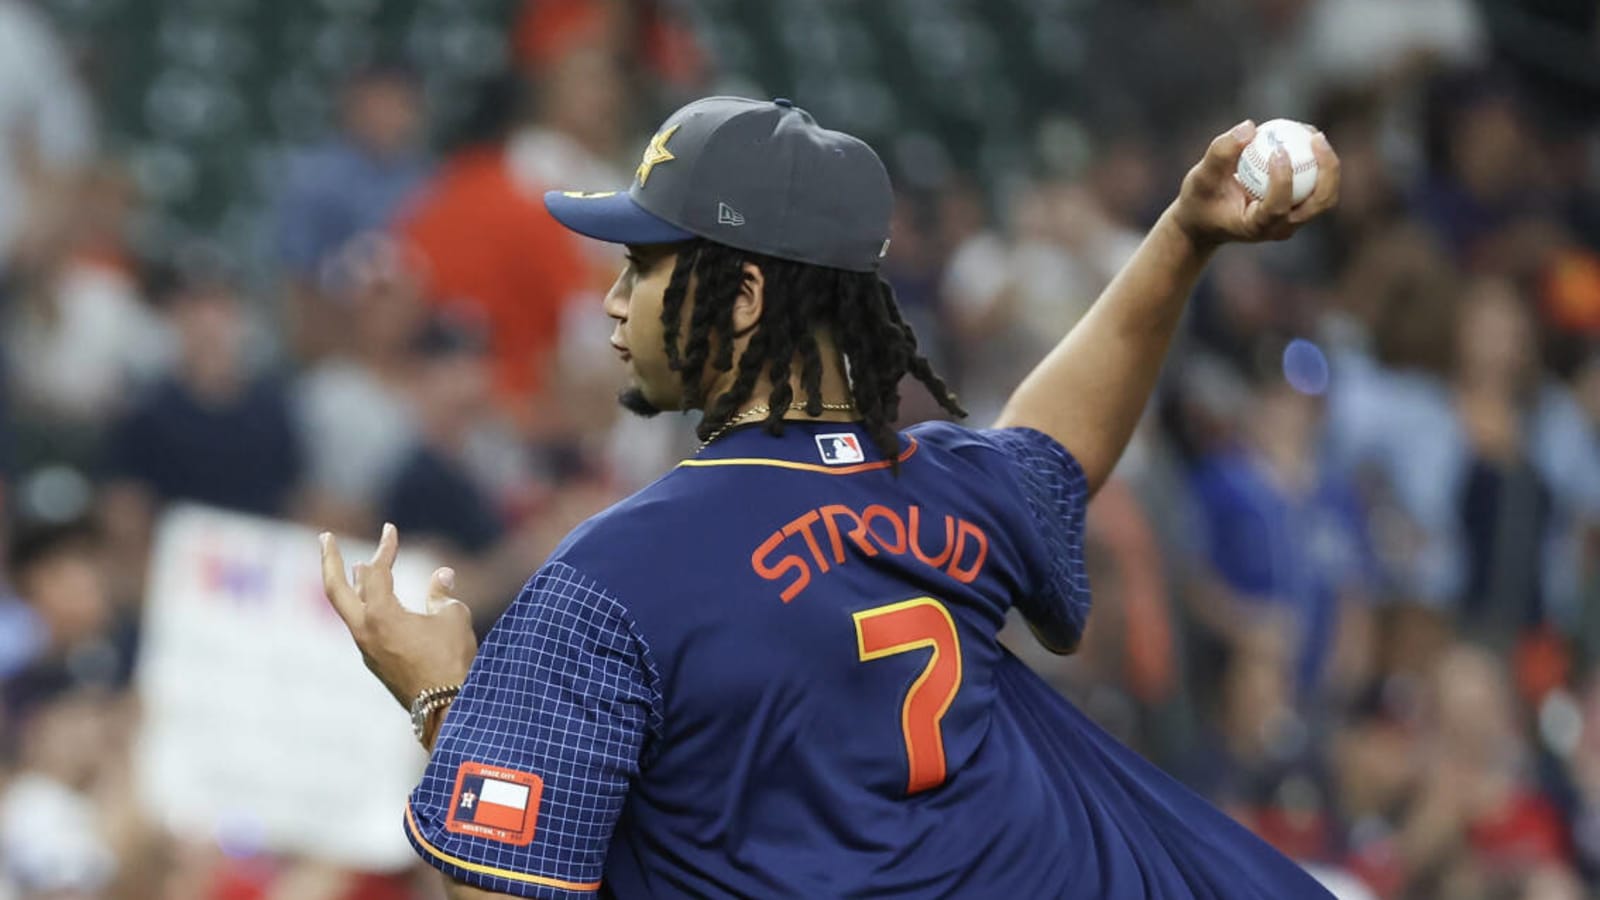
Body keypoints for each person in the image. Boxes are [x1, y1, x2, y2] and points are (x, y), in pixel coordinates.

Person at [320, 97, 1342, 897]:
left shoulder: (611, 583)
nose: (613, 299)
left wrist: (440, 696)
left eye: (644, 264)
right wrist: (1182, 237)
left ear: (747, 298)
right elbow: (1056, 446)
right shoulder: (951, 496)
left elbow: (504, 888)